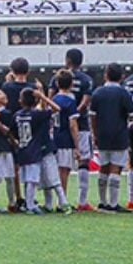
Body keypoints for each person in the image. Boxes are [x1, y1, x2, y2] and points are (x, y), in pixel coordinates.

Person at [49, 48, 94, 211]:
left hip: (59, 127)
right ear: (81, 62)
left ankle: (61, 199)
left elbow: (50, 98)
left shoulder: (56, 77)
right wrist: (73, 112)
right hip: (79, 124)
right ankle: (81, 201)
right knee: (82, 161)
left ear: (67, 60)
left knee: (61, 166)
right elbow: (86, 101)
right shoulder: (86, 79)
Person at [12, 86, 67, 214]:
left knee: (29, 179)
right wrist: (42, 96)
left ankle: (38, 204)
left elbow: (11, 132)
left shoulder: (17, 115)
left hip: (24, 149)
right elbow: (57, 109)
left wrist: (15, 142)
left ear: (20, 101)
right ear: (36, 101)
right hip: (37, 149)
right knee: (41, 179)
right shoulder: (37, 115)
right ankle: (33, 205)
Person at [90, 62, 133, 212]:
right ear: (121, 77)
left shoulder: (97, 93)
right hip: (119, 135)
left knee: (103, 167)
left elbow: (93, 117)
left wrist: (95, 134)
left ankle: (102, 202)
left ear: (105, 75)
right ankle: (113, 204)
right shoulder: (124, 94)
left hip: (102, 134)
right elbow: (131, 115)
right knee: (116, 168)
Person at [51, 70, 80, 202]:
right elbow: (73, 125)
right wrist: (77, 146)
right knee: (64, 171)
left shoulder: (54, 99)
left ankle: (54, 199)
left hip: (55, 138)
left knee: (56, 171)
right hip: (65, 139)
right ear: (71, 84)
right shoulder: (70, 101)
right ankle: (62, 200)